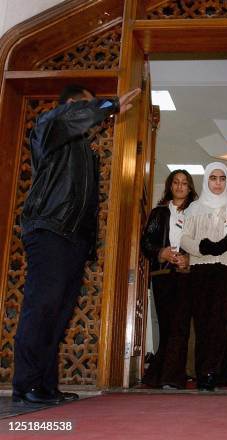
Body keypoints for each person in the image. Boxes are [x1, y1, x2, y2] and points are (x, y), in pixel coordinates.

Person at [12, 84, 140, 405]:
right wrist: (107, 104)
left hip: (73, 240)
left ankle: (45, 385)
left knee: (59, 315)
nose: (92, 113)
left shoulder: (84, 147)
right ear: (71, 105)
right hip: (50, 231)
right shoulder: (50, 127)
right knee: (41, 308)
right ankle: (26, 383)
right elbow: (71, 117)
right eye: (87, 106)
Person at [180, 162, 227, 392]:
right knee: (203, 321)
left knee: (221, 321)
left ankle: (215, 372)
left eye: (222, 178)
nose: (218, 183)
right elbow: (183, 238)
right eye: (213, 178)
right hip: (201, 268)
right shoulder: (193, 209)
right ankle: (204, 371)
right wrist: (202, 247)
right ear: (206, 181)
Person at [140, 170, 197, 389]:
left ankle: (169, 377)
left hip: (186, 276)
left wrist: (189, 259)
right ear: (170, 186)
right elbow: (146, 243)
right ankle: (161, 375)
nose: (180, 187)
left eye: (185, 183)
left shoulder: (196, 212)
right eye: (176, 182)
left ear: (190, 187)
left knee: (180, 325)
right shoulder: (158, 213)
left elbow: (205, 243)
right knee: (167, 326)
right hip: (162, 275)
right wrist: (161, 252)